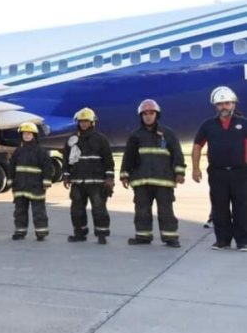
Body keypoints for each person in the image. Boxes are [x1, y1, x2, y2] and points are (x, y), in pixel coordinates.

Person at [121, 99, 184, 248]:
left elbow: (177, 154)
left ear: (157, 115)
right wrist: (124, 174)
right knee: (142, 210)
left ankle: (170, 238)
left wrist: (179, 172)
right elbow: (128, 156)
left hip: (163, 180)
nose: (148, 116)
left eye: (151, 113)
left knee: (166, 210)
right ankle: (143, 236)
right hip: (141, 180)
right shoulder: (135, 136)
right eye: (145, 114)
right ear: (141, 116)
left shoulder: (167, 134)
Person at [192, 86, 247, 251]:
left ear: (234, 105)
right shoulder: (208, 125)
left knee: (242, 207)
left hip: (241, 173)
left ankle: (243, 241)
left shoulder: (244, 124)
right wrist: (196, 168)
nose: (224, 107)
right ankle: (222, 241)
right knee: (219, 207)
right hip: (217, 173)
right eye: (220, 104)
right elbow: (197, 146)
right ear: (215, 106)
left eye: (227, 103)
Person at [62, 107, 115, 244]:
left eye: (86, 121)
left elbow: (108, 160)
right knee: (77, 210)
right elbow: (67, 158)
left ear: (92, 122)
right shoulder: (72, 140)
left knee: (99, 209)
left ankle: (102, 234)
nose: (84, 124)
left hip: (96, 182)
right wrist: (66, 175)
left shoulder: (100, 139)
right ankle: (79, 233)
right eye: (81, 121)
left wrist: (109, 178)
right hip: (78, 182)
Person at [8, 122, 53, 241]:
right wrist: (10, 180)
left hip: (36, 186)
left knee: (38, 211)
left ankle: (41, 233)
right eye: (24, 134)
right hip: (20, 187)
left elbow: (48, 168)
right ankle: (20, 232)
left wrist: (46, 181)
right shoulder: (18, 151)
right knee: (19, 211)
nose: (26, 136)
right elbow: (12, 167)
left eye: (29, 134)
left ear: (34, 135)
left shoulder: (41, 151)